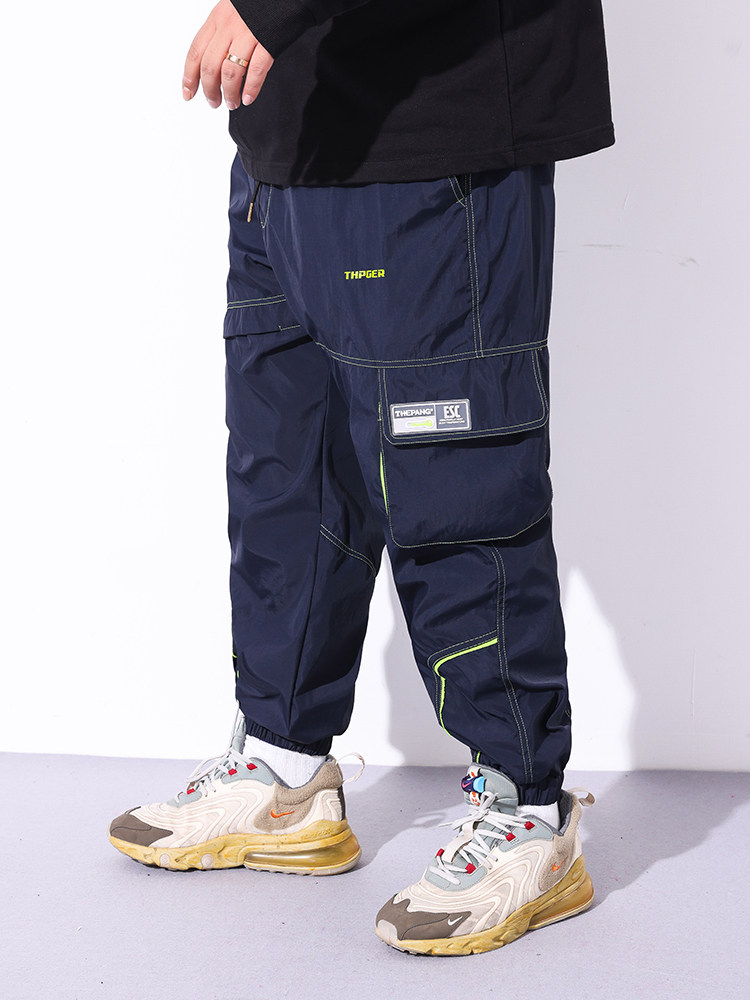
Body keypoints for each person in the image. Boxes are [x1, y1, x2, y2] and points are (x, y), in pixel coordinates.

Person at [108, 0, 614, 956]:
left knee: (456, 489)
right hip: (293, 134)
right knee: (287, 476)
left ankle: (528, 812)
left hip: (436, 129)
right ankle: (284, 768)